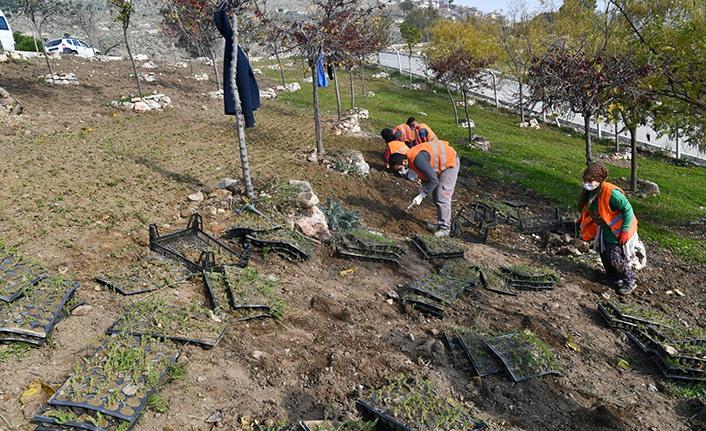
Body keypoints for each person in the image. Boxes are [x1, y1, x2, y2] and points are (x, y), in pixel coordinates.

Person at [578, 161, 639, 295]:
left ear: (599, 180)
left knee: (614, 256)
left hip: (619, 230)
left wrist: (624, 231)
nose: (586, 182)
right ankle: (613, 277)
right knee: (604, 254)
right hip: (606, 229)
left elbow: (628, 210)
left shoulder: (611, 193)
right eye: (585, 179)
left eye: (590, 180)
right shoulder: (592, 192)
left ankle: (629, 280)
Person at [389, 138, 459, 237]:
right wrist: (424, 190)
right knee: (436, 195)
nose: (402, 171)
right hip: (441, 163)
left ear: (404, 161)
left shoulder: (417, 160)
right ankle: (440, 224)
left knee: (442, 195)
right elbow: (425, 175)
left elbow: (434, 181)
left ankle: (445, 229)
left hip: (450, 162)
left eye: (400, 169)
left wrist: (422, 195)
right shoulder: (410, 158)